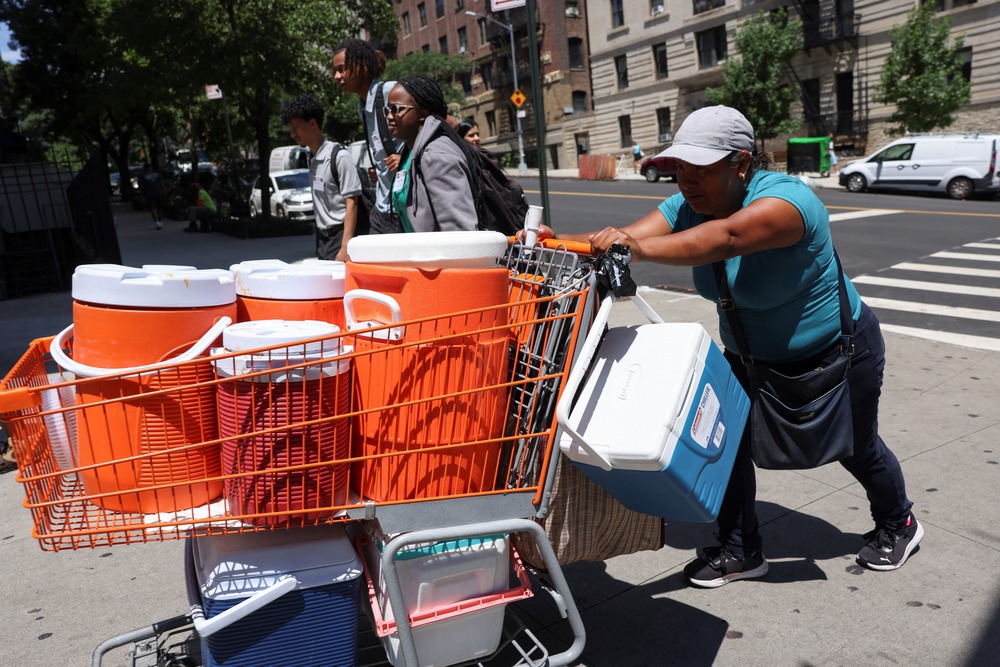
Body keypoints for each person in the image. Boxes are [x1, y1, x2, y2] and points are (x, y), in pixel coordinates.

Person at [527, 105, 922, 587]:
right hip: (747, 358)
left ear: (741, 161)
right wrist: (554, 243)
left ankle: (899, 522)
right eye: (680, 170)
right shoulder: (688, 205)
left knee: (856, 447)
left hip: (835, 352)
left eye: (700, 170)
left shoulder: (787, 202)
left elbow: (727, 237)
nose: (686, 183)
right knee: (725, 443)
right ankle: (740, 550)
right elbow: (621, 237)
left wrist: (634, 248)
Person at [385, 76, 482, 232]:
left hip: (440, 256)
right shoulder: (410, 152)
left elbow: (459, 231)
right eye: (388, 110)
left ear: (422, 114)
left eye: (397, 109)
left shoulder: (436, 155)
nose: (389, 116)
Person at [332, 39, 407, 234]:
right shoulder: (362, 106)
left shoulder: (391, 91)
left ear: (362, 66)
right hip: (382, 208)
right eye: (334, 71)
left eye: (342, 69)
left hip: (404, 209)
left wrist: (406, 160)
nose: (336, 76)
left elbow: (439, 125)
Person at [280, 94, 361, 261]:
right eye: (291, 129)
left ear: (312, 124)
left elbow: (352, 202)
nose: (293, 134)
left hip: (340, 238)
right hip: (323, 240)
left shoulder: (339, 156)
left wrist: (345, 247)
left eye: (296, 127)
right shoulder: (313, 158)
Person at [139, 162, 167, 230]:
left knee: (153, 208)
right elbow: (162, 185)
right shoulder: (157, 175)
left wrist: (142, 196)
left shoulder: (142, 176)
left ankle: (157, 222)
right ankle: (160, 220)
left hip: (149, 193)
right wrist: (164, 193)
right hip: (158, 192)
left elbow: (141, 187)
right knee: (159, 207)